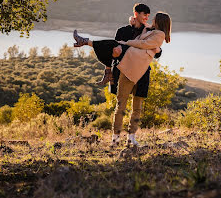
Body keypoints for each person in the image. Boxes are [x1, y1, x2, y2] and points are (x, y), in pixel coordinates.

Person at [73, 12, 171, 147]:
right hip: (130, 66)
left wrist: (127, 43)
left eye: (153, 18)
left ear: (159, 21)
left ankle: (131, 137)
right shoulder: (145, 29)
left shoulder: (159, 34)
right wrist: (133, 20)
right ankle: (116, 138)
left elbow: (144, 44)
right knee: (121, 105)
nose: (150, 20)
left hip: (141, 71)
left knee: (136, 108)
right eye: (147, 16)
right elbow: (144, 32)